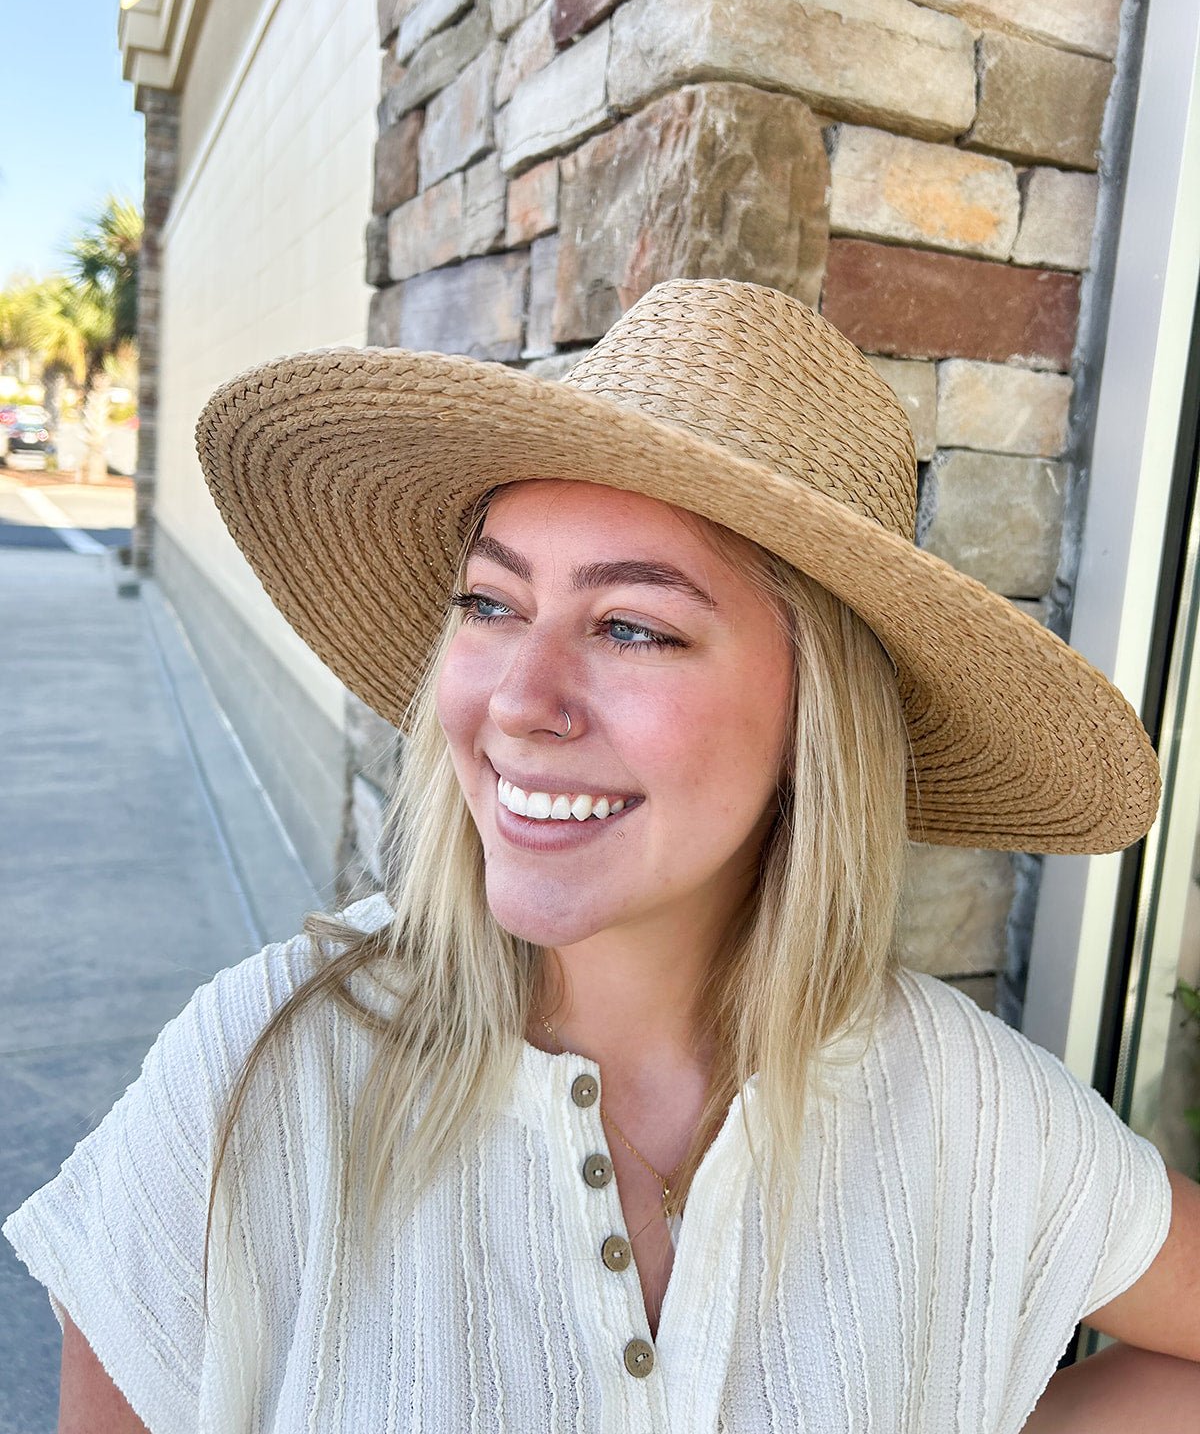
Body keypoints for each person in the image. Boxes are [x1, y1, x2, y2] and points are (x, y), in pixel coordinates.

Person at [6, 278, 1200, 1432]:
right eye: (489, 603)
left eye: (635, 626)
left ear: (815, 720)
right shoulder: (261, 1079)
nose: (520, 702)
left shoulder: (966, 1108)